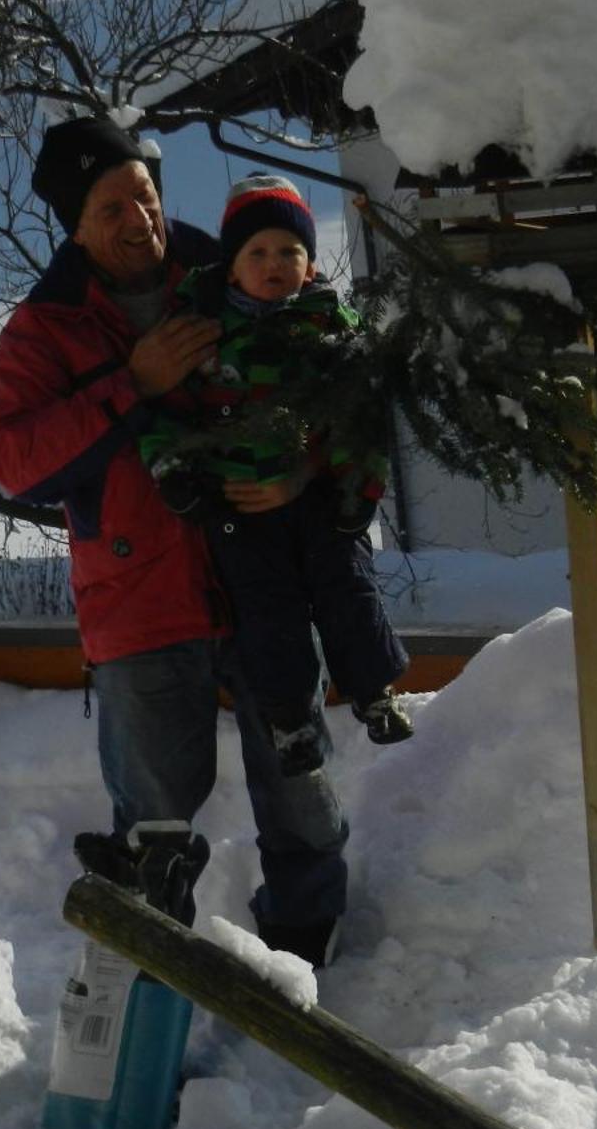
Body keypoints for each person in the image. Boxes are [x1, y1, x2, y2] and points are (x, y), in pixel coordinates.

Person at [0, 115, 350, 967]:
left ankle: (310, 950)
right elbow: (14, 461)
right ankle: (155, 976)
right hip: (139, 602)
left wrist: (303, 474)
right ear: (75, 222)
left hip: (268, 579)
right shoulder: (46, 328)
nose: (138, 218)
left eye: (143, 195)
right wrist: (132, 386)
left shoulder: (240, 268)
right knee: (154, 821)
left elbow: (338, 385)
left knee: (300, 789)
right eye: (111, 208)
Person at [138, 174, 413, 778]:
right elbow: (165, 414)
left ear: (310, 263)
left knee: (347, 587)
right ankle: (290, 722)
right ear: (231, 266)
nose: (273, 265)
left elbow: (363, 417)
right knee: (267, 615)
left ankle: (375, 692)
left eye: (289, 251)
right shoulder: (203, 330)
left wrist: (358, 491)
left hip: (318, 499)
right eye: (256, 252)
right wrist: (179, 475)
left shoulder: (330, 325)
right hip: (239, 505)